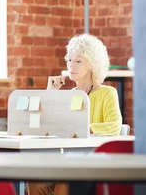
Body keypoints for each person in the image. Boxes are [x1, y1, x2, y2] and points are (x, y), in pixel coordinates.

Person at [28, 33, 123, 195]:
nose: (71, 66)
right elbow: (47, 127)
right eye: (69, 60)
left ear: (92, 65)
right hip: (67, 161)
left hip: (92, 163)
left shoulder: (108, 93)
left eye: (78, 61)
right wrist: (50, 93)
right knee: (34, 181)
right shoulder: (69, 95)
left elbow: (114, 126)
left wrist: (83, 128)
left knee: (64, 183)